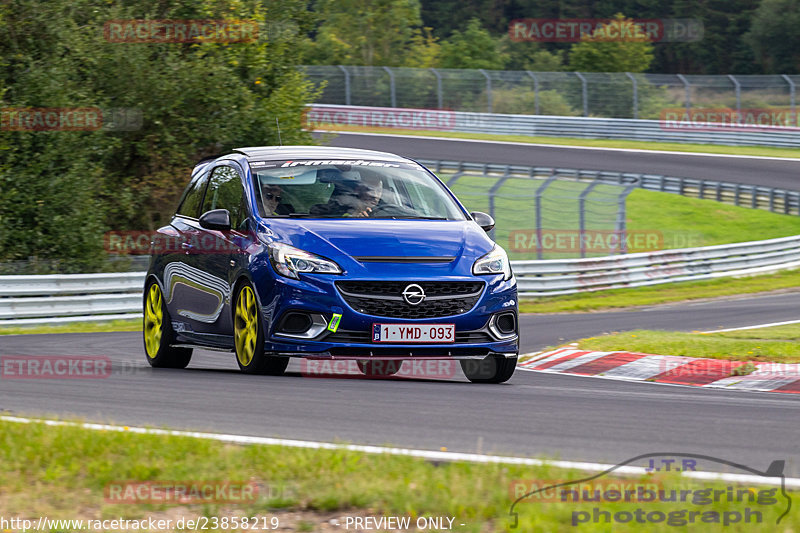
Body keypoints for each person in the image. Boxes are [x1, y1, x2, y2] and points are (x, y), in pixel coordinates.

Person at [310, 174, 383, 217]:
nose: (375, 195)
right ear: (357, 190)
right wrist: (351, 217)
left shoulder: (389, 212)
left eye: (379, 191)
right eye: (370, 190)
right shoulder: (334, 211)